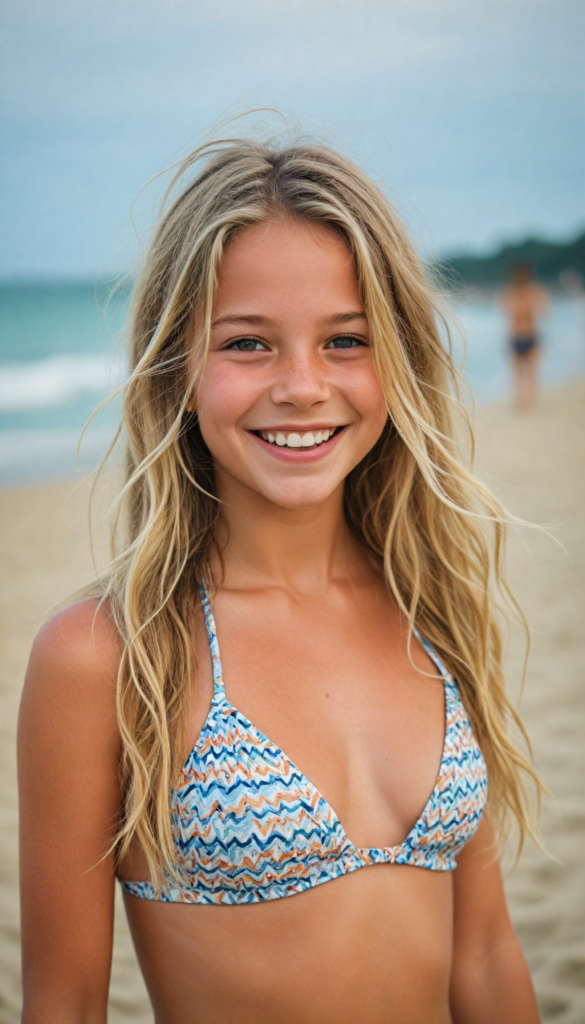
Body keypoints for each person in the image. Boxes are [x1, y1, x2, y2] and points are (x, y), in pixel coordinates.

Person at [18, 136, 543, 1023]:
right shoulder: (110, 656)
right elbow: (64, 1003)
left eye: (345, 340)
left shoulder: (426, 606)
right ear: (178, 369)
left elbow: (486, 956)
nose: (302, 386)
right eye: (248, 343)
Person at [501, 262, 549, 411]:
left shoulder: (534, 292)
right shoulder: (510, 294)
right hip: (516, 337)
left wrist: (533, 304)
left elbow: (545, 314)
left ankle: (531, 401)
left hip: (530, 336)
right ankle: (521, 400)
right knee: (518, 374)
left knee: (531, 372)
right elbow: (507, 313)